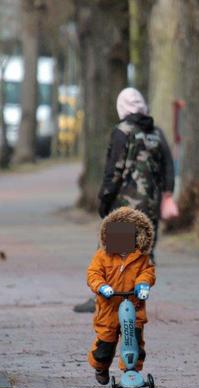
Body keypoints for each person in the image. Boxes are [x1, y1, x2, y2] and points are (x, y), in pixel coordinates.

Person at [74, 87, 175, 313]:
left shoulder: (122, 131)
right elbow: (168, 166)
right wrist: (167, 194)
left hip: (125, 204)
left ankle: (104, 299)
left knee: (111, 252)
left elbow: (114, 170)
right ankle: (133, 298)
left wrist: (104, 200)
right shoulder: (156, 133)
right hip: (150, 204)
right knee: (142, 252)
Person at [86, 207, 156, 385]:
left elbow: (148, 272)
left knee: (134, 341)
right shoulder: (103, 256)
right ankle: (100, 366)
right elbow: (93, 274)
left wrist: (143, 284)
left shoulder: (141, 257)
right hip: (108, 308)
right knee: (105, 345)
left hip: (134, 305)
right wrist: (101, 286)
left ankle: (130, 371)